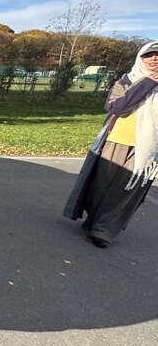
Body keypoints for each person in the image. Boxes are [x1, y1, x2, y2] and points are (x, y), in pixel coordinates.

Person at [64, 40, 158, 248]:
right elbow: (117, 107)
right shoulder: (126, 80)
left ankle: (103, 231)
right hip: (115, 141)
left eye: (157, 55)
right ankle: (94, 220)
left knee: (125, 192)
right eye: (149, 55)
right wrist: (147, 83)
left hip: (147, 150)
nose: (154, 58)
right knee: (101, 187)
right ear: (140, 58)